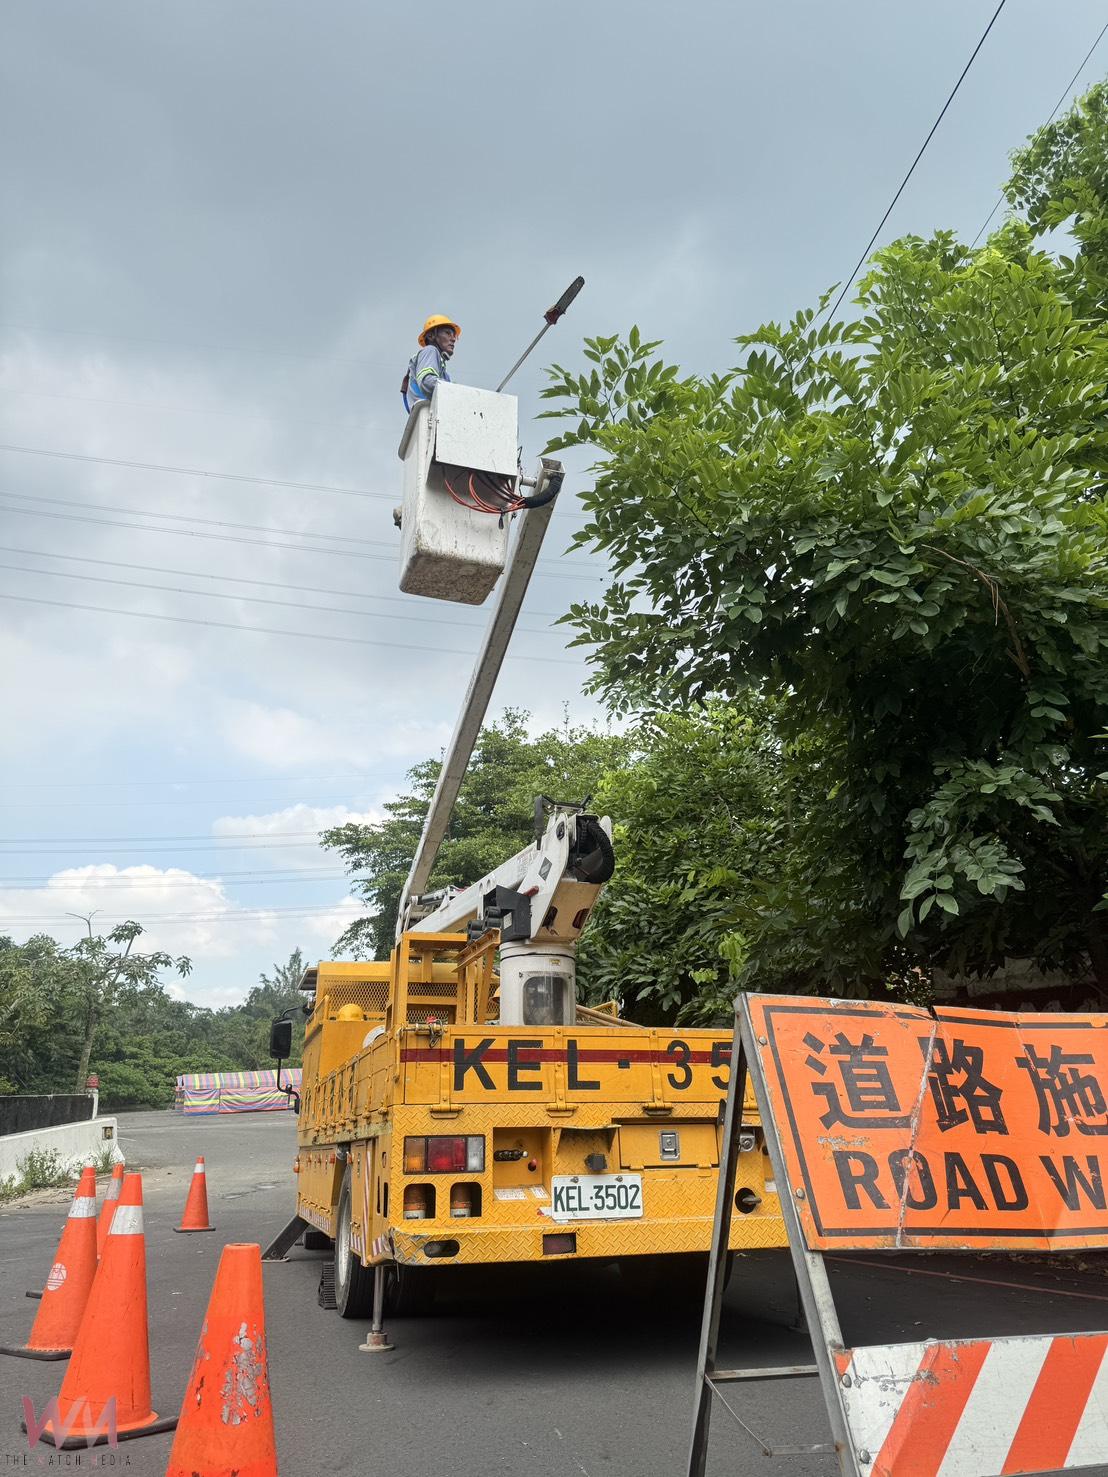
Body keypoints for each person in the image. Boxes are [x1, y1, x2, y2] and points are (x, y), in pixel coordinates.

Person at [403, 315, 460, 410]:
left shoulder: (444, 375)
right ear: (431, 335)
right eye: (447, 333)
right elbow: (427, 382)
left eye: (454, 335)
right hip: (427, 413)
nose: (453, 339)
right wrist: (456, 391)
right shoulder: (430, 350)